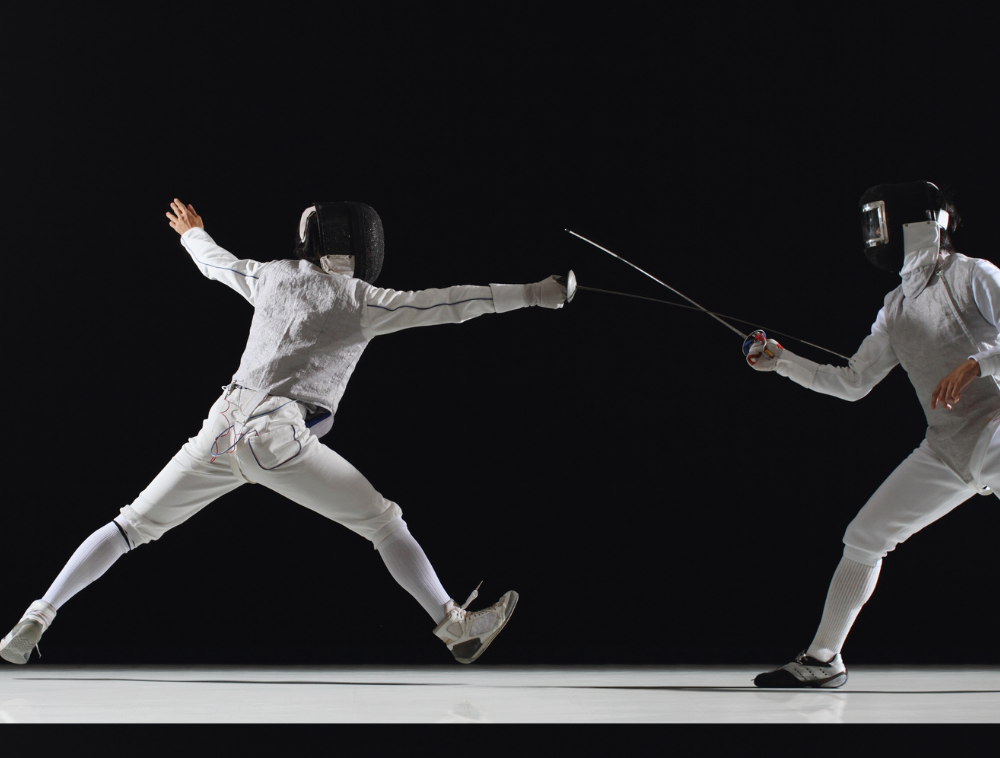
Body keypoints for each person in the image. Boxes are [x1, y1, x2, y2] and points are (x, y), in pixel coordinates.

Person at [0, 199, 572, 666]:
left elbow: (215, 262)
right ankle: (454, 627)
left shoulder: (272, 277)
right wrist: (537, 293)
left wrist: (192, 234)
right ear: (364, 245)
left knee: (130, 527)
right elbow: (451, 304)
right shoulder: (364, 301)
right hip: (279, 439)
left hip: (219, 431)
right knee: (383, 521)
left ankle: (38, 615)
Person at [747, 181, 999, 688]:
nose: (873, 234)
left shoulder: (975, 274)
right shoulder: (896, 308)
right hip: (948, 446)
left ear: (916, 223)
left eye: (880, 222)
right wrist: (782, 362)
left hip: (997, 425)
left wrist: (975, 363)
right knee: (865, 536)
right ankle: (823, 659)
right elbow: (853, 382)